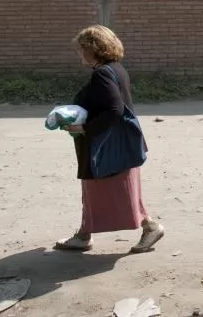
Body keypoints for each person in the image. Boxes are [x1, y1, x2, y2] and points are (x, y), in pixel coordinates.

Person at [54, 25, 165, 253]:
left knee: (111, 190)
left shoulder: (103, 73)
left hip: (106, 146)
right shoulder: (116, 68)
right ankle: (84, 234)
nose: (80, 54)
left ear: (94, 49)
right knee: (110, 190)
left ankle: (150, 226)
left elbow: (114, 109)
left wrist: (85, 128)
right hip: (118, 144)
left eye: (82, 49)